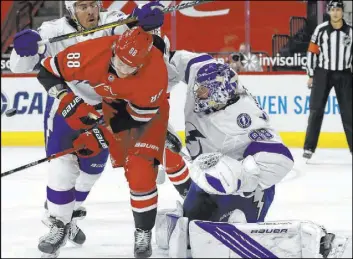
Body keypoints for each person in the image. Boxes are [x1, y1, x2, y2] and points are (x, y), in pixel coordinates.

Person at [152, 52, 348, 258]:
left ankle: (307, 242)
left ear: (220, 93)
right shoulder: (201, 73)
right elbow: (175, 58)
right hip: (206, 182)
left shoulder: (244, 117)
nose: (197, 93)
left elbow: (281, 159)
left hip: (247, 192)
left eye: (204, 91)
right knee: (190, 233)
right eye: (198, 88)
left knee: (230, 230)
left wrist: (234, 174)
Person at [10, 0, 164, 257]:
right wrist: (22, 50)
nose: (91, 11)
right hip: (65, 105)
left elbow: (143, 42)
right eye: (82, 6)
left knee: (90, 173)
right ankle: (58, 224)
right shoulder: (52, 30)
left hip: (107, 109)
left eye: (93, 4)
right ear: (71, 10)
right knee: (62, 167)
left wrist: (146, 25)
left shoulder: (113, 20)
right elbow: (20, 67)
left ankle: (69, 215)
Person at [304, 0, 352, 159]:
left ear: (342, 11)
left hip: (344, 74)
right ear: (329, 11)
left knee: (349, 113)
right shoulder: (321, 30)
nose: (336, 12)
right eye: (333, 9)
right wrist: (311, 74)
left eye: (339, 9)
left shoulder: (351, 31)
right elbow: (312, 51)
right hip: (323, 74)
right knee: (316, 110)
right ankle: (309, 148)